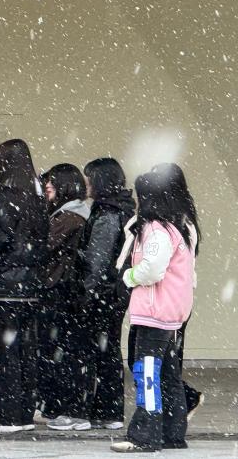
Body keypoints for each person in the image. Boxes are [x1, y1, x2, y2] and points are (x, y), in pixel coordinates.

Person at [110, 172, 196, 453]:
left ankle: (145, 434)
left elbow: (152, 270)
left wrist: (128, 277)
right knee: (168, 372)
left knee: (146, 371)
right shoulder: (177, 227)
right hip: (170, 313)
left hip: (154, 312)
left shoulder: (156, 230)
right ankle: (172, 432)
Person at [0, 139, 49, 433]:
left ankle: (7, 415)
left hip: (2, 288)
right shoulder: (37, 199)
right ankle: (24, 413)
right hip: (30, 289)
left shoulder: (3, 198)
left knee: (1, 353)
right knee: (25, 353)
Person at [79, 158, 135, 431]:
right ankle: (109, 410)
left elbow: (97, 260)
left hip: (104, 293)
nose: (86, 184)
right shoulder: (123, 209)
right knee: (109, 348)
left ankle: (106, 410)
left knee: (102, 350)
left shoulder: (107, 214)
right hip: (116, 291)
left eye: (89, 178)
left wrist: (86, 292)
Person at [37, 164, 92, 431]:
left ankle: (69, 408)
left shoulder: (70, 217)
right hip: (64, 291)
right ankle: (59, 406)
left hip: (62, 292)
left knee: (64, 351)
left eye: (53, 181)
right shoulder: (68, 213)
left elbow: (41, 246)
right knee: (61, 350)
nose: (47, 185)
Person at [152, 162, 204, 419]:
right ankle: (175, 406)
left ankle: (179, 404)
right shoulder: (184, 218)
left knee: (161, 359)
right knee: (167, 357)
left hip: (168, 299)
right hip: (178, 298)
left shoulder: (172, 222)